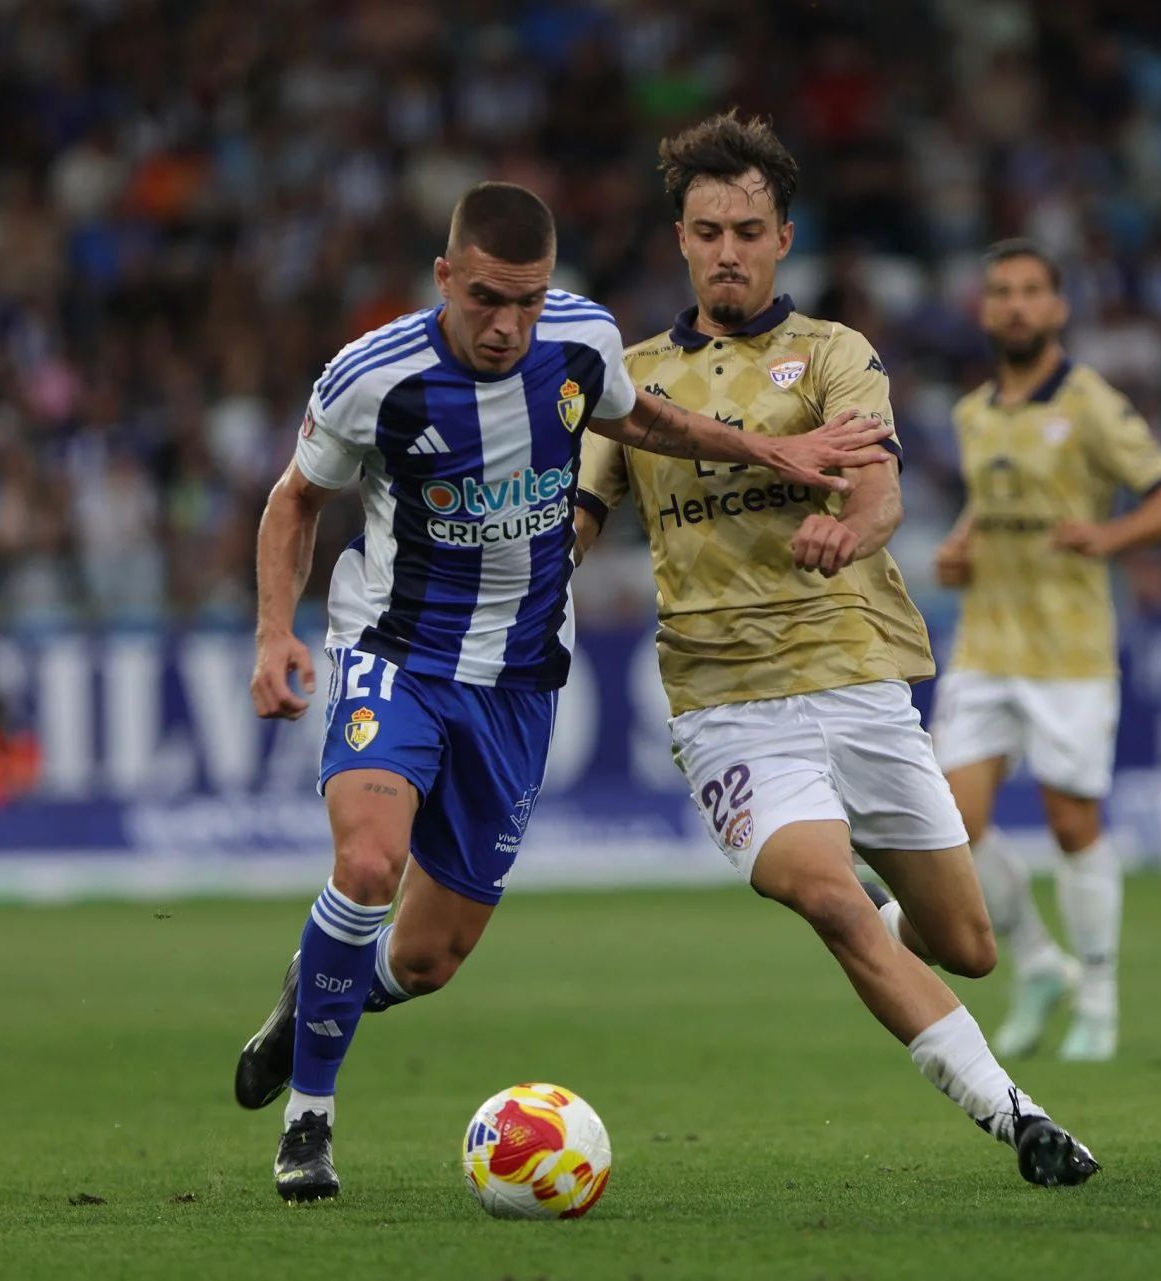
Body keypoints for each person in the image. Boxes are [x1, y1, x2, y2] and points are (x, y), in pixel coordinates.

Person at [233, 180, 896, 1202]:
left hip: (520, 677)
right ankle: (308, 1121)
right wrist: (276, 632)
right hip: (396, 652)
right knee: (367, 865)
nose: (507, 325)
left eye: (527, 300)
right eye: (486, 299)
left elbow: (646, 422)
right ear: (444, 277)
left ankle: (316, 986)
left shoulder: (582, 340)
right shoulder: (372, 376)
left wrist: (771, 450)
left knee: (428, 958)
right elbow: (295, 501)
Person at [571, 113, 1098, 1187]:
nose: (728, 251)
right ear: (680, 239)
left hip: (856, 678)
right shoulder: (629, 381)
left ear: (783, 238)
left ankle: (886, 921)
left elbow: (879, 491)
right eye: (708, 231)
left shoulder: (832, 354)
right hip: (726, 705)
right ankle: (1020, 1117)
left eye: (748, 231)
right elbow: (575, 527)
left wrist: (848, 532)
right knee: (828, 897)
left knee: (968, 945)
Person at [930, 240, 1161, 1061]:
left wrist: (1109, 537)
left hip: (1070, 650)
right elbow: (996, 503)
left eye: (1030, 292)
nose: (1014, 305)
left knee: (1071, 823)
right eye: (1001, 292)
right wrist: (960, 547)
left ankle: (1100, 1000)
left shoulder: (1090, 403)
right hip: (985, 643)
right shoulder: (973, 412)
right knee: (948, 824)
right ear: (984, 309)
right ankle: (1040, 963)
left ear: (1057, 308)